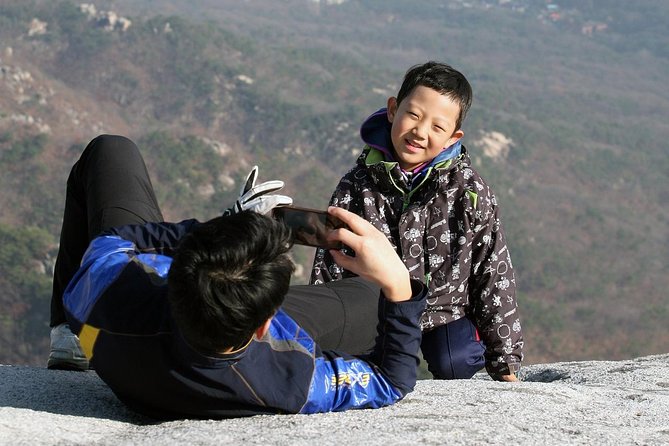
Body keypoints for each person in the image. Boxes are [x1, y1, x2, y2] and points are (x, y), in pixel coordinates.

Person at [47, 134, 428, 419]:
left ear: (174, 274)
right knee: (370, 299)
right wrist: (398, 285)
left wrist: (224, 231)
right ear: (266, 325)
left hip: (121, 338)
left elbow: (115, 240)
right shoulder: (288, 381)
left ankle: (70, 338)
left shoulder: (101, 289)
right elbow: (390, 382)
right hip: (227, 346)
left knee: (110, 149)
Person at [311, 61, 523, 382]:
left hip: (444, 311)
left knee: (457, 360)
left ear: (453, 137)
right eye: (414, 115)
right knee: (384, 370)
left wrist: (505, 363)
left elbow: (492, 271)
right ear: (393, 109)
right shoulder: (357, 186)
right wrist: (320, 341)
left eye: (438, 127)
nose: (420, 132)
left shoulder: (468, 191)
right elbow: (331, 263)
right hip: (379, 308)